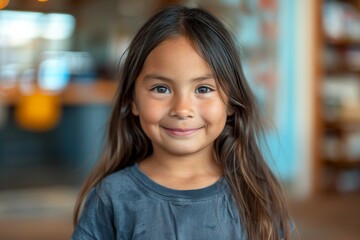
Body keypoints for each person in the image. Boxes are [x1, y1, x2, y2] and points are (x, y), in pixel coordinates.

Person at [72, 5, 293, 240]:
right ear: (133, 100)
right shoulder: (112, 197)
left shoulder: (254, 195)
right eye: (161, 88)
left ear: (230, 102)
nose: (182, 109)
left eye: (203, 89)